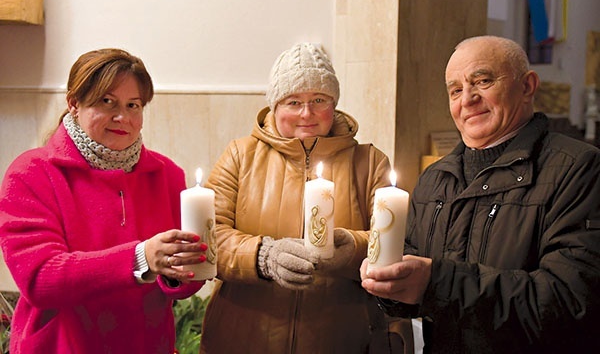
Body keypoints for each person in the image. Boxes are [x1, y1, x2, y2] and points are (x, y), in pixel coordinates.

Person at [360, 35, 600, 353]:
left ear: (527, 86)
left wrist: (436, 283)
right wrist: (389, 286)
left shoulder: (577, 168)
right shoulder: (435, 178)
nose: (467, 99)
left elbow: (569, 300)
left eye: (483, 81)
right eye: (455, 90)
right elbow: (414, 282)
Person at [0, 48, 208, 354]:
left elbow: (180, 285)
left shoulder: (167, 175)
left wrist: (184, 272)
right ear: (74, 103)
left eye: (133, 105)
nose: (122, 117)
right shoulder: (31, 173)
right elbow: (40, 279)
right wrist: (140, 258)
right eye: (106, 101)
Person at [200, 42, 401, 353]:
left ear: (333, 104)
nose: (307, 113)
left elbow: (391, 243)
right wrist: (263, 256)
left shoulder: (370, 162)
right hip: (244, 337)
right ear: (275, 106)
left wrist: (350, 250)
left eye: (318, 100)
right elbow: (210, 239)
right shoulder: (240, 156)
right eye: (293, 101)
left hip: (339, 339)